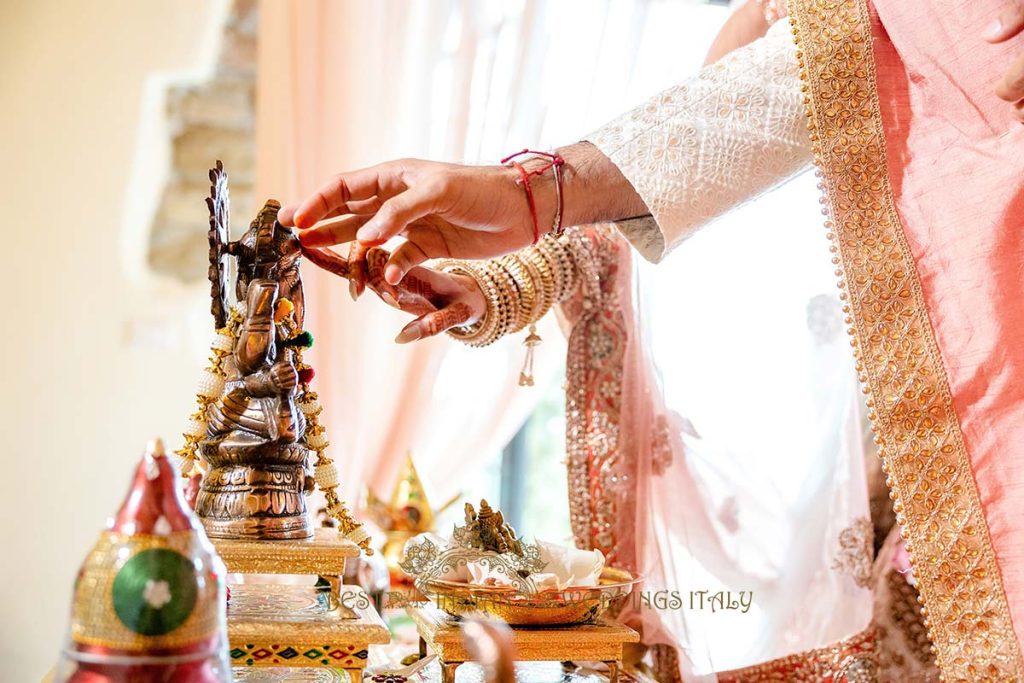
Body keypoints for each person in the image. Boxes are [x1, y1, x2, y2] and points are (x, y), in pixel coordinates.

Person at [282, 0, 1024, 679]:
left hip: (944, 444)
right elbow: (657, 221)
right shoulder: (777, 45)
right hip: (905, 454)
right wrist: (516, 234)